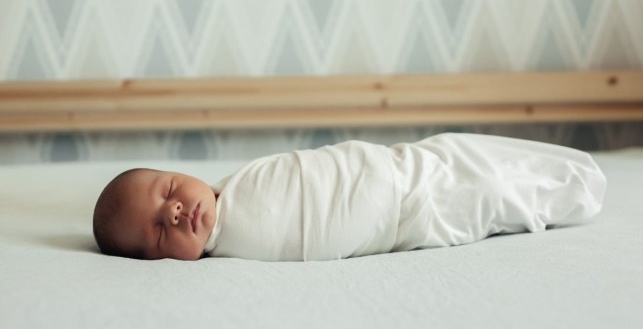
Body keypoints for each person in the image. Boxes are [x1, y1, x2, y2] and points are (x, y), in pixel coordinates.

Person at [93, 133, 606, 261]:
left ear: (178, 171)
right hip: (409, 217)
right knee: (492, 196)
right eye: (160, 231)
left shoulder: (236, 184)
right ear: (158, 262)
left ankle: (577, 174)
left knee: (468, 155)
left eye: (167, 191)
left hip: (400, 167)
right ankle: (568, 197)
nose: (176, 211)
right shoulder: (230, 249)